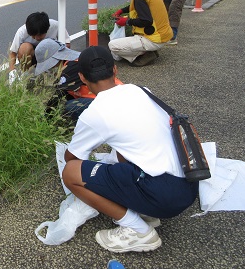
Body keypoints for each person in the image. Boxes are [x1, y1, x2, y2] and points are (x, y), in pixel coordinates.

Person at [62, 46, 198, 253]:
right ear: (115, 70)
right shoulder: (141, 90)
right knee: (122, 148)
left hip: (164, 194)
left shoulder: (94, 113)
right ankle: (146, 209)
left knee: (70, 173)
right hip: (189, 182)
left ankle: (138, 231)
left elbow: (72, 158)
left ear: (82, 77)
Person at [109, 0, 173, 67]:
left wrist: (126, 22)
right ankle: (147, 50)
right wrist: (122, 10)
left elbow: (146, 20)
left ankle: (144, 54)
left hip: (154, 38)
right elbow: (138, 6)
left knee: (112, 46)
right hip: (164, 34)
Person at [33, 38, 92, 122]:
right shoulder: (75, 60)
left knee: (68, 106)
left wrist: (45, 119)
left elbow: (57, 96)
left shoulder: (70, 68)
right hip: (110, 94)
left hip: (102, 103)